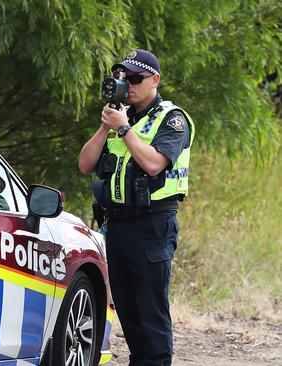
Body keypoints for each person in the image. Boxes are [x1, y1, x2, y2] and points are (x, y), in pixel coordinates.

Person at [78, 49, 194, 366]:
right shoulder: (121, 118)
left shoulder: (172, 118)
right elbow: (85, 165)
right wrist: (106, 126)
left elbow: (155, 164)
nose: (127, 84)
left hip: (152, 226)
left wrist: (125, 128)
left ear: (154, 80)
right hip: (117, 227)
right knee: (128, 313)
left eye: (135, 79)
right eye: (122, 78)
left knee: (150, 313)